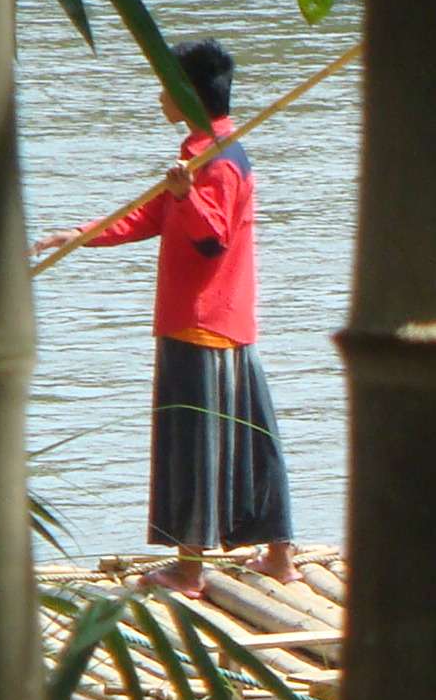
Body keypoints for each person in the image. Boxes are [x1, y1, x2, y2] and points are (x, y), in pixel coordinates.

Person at [33, 36, 299, 597]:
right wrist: (79, 236)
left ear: (188, 93)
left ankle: (190, 570)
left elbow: (212, 241)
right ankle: (279, 556)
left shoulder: (219, 161)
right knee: (251, 434)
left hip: (201, 322)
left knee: (193, 439)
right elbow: (145, 216)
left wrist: (186, 196)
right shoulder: (200, 150)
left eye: (166, 85)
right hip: (223, 319)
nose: (159, 96)